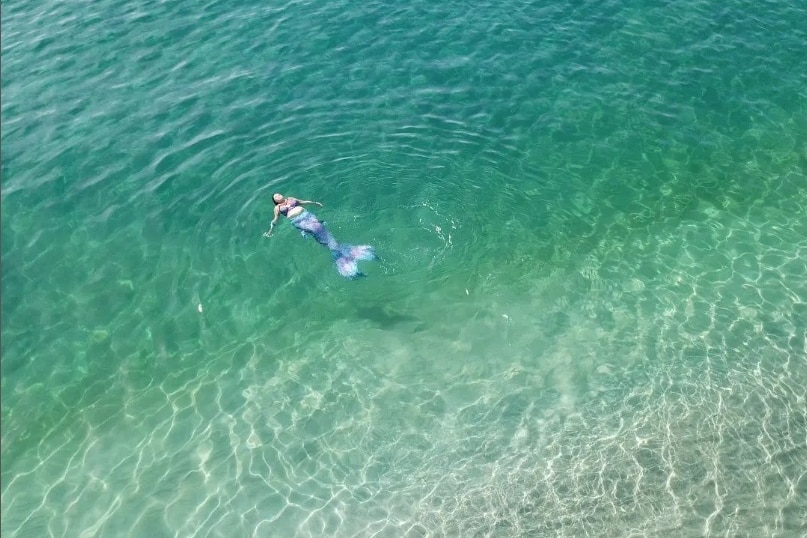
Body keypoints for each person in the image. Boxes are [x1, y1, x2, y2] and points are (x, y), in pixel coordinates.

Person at [264, 193, 376, 278]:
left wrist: (315, 203)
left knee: (320, 229)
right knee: (316, 229)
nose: (278, 195)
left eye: (278, 194)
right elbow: (275, 220)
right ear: (275, 201)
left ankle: (338, 252)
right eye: (275, 196)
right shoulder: (277, 208)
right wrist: (270, 231)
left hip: (307, 215)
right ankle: (342, 254)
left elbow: (303, 202)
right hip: (298, 221)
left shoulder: (291, 199)